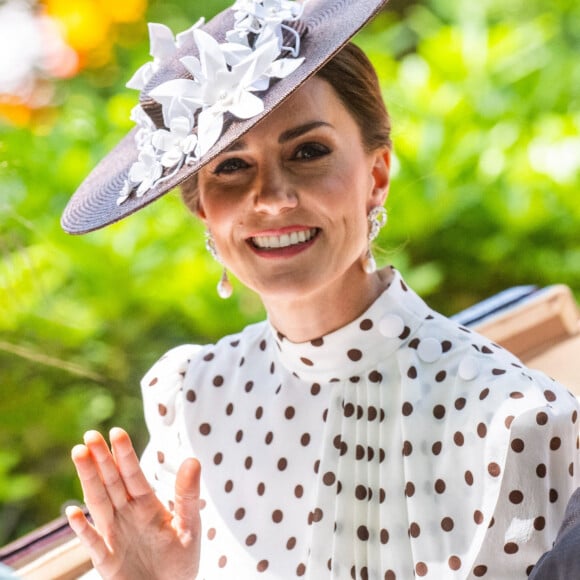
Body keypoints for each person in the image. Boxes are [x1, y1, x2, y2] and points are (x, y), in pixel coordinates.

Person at [61, 0, 580, 578]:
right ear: (203, 210)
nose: (274, 198)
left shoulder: (518, 421)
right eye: (231, 167)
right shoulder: (186, 395)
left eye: (308, 152)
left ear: (376, 176)